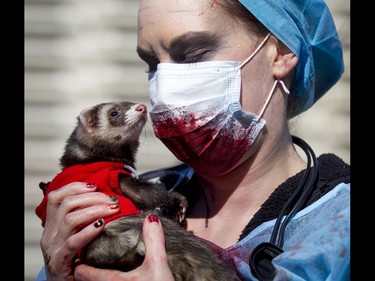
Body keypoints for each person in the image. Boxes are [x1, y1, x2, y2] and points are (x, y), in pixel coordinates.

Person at [35, 0, 350, 280]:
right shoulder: (123, 202)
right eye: (152, 64)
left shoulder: (338, 225)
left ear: (281, 52)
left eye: (193, 56)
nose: (165, 88)